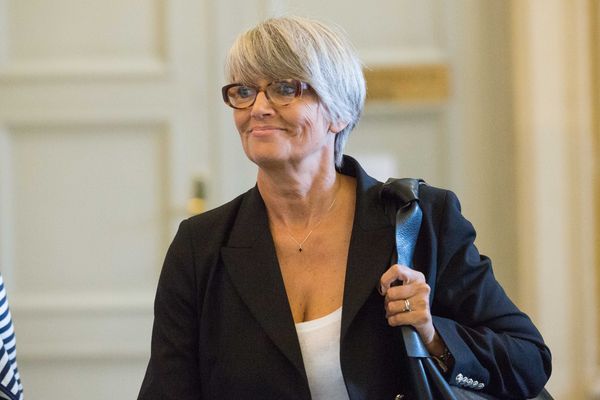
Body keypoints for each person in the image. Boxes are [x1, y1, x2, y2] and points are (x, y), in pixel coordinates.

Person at [138, 16, 551, 400]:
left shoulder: (418, 219)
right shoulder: (201, 246)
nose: (258, 108)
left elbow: (528, 359)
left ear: (338, 112)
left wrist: (431, 332)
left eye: (284, 88)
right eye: (244, 91)